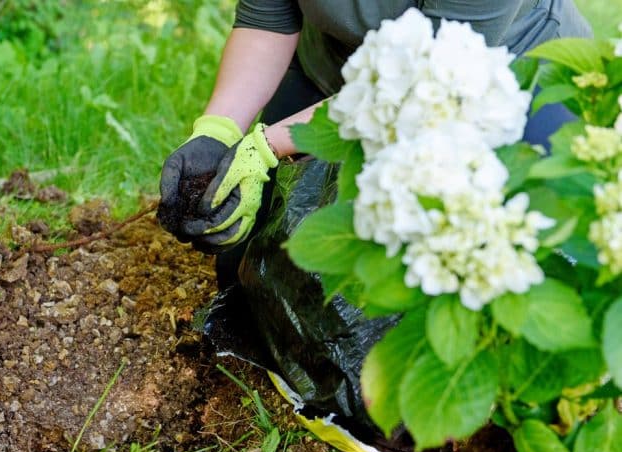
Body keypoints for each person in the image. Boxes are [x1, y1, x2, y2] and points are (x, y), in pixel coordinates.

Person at [159, 0, 592, 274]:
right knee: (253, 268)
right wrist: (218, 129)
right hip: (338, 65)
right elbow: (267, 20)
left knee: (512, 263)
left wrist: (271, 146)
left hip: (494, 77)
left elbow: (429, 77)